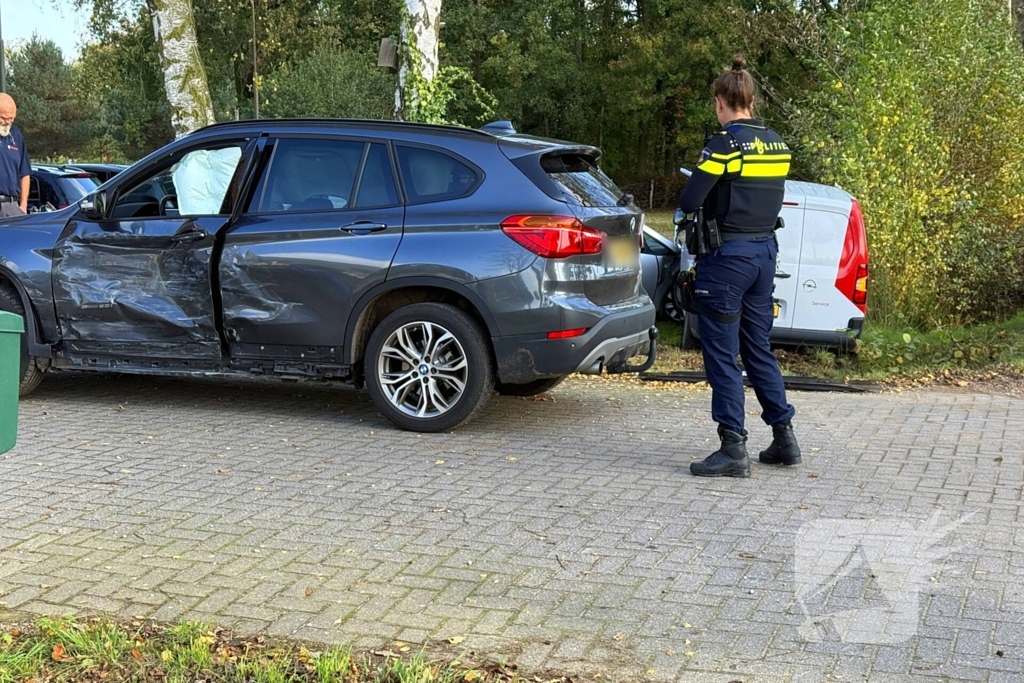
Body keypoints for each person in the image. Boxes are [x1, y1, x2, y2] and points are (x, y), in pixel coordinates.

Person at [677, 55, 801, 478]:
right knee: (758, 347)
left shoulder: (724, 145)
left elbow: (690, 200)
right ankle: (784, 438)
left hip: (727, 259)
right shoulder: (777, 142)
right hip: (765, 253)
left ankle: (733, 448)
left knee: (723, 355)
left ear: (720, 103)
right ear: (751, 99)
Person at [0, 93, 30, 217]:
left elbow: (25, 173)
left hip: (11, 207)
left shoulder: (16, 134)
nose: (8, 122)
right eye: (4, 118)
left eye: (11, 118)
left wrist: (23, 205)